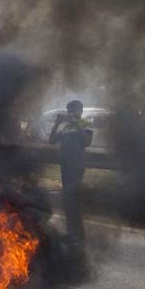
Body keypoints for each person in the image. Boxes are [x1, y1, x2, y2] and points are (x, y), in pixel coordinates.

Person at [49, 99, 93, 243]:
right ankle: (71, 232)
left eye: (73, 110)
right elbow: (52, 140)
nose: (71, 113)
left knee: (73, 199)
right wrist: (57, 123)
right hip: (65, 165)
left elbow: (87, 142)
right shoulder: (66, 127)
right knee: (67, 200)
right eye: (69, 111)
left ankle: (79, 235)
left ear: (80, 111)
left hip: (77, 166)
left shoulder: (86, 124)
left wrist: (76, 124)